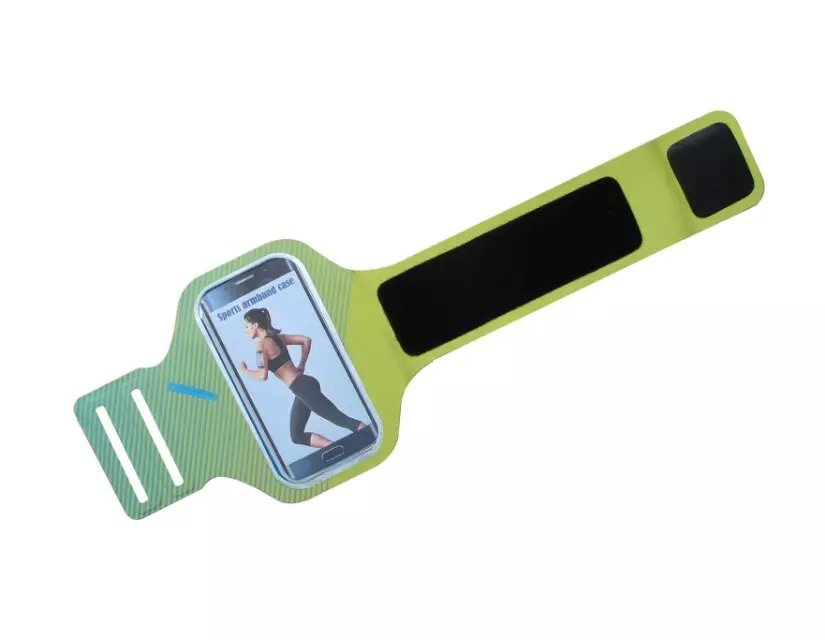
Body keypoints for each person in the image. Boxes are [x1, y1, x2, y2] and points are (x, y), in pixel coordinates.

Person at [238, 308, 367, 448]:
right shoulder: (279, 338)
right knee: (296, 436)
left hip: (302, 387)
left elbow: (262, 375)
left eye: (246, 326)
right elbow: (306, 340)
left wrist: (244, 371)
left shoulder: (260, 346)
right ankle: (337, 449)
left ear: (255, 325)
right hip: (303, 386)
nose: (245, 330)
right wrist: (302, 364)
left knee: (342, 420)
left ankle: (369, 435)